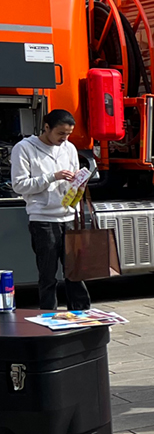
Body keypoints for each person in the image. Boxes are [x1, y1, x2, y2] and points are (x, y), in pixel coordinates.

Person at [11, 108, 90, 311]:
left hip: (69, 216)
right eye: (60, 133)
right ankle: (48, 314)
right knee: (47, 274)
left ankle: (81, 313)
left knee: (75, 271)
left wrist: (78, 182)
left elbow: (73, 179)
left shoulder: (69, 148)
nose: (64, 138)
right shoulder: (24, 148)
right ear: (46, 127)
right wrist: (52, 177)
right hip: (43, 219)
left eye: (68, 134)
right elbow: (19, 185)